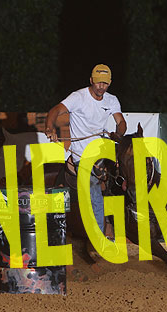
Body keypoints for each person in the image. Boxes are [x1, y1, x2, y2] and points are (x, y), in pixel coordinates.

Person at [45, 64, 127, 234]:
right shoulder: (78, 97)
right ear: (91, 80)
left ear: (110, 83)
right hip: (82, 154)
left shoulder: (112, 100)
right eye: (98, 83)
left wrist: (119, 134)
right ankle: (98, 235)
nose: (101, 87)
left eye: (105, 83)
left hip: (102, 150)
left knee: (129, 169)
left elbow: (121, 122)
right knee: (94, 187)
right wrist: (49, 128)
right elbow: (55, 110)